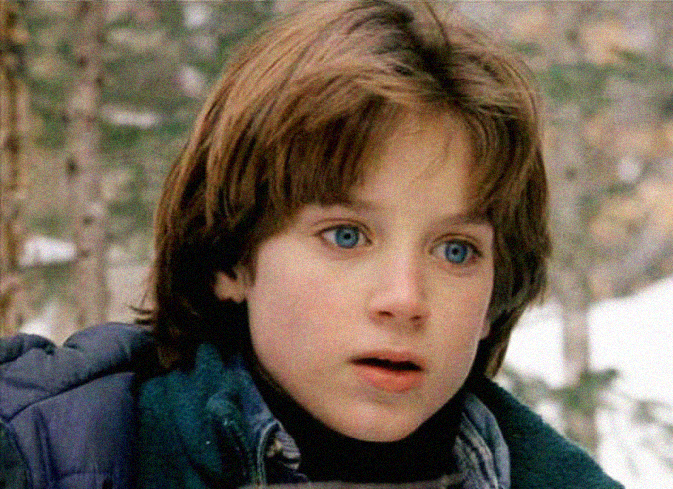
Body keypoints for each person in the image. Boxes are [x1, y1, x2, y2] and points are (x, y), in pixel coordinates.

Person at [0, 1, 623, 488]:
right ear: (231, 257)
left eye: (455, 250)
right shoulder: (41, 456)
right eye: (346, 237)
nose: (405, 300)